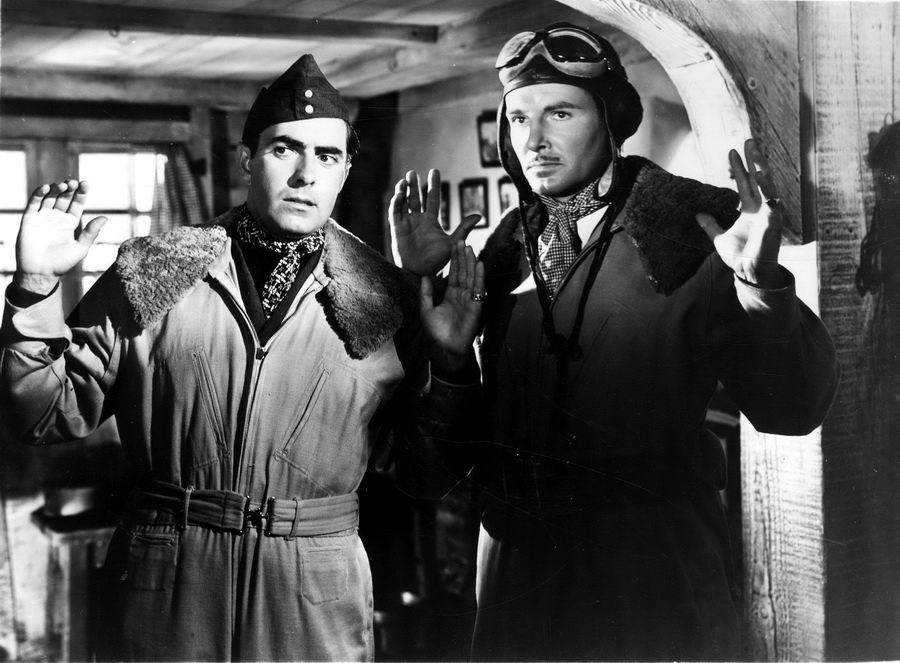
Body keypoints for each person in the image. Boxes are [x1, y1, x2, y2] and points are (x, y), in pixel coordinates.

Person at [0, 54, 484, 662]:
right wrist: (35, 287)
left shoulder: (384, 298)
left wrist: (453, 361)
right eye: (285, 149)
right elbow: (42, 416)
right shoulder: (151, 271)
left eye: (327, 156)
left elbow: (428, 474)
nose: (306, 174)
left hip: (312, 601)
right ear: (247, 158)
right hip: (167, 586)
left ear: (345, 170)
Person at [389, 22, 839, 661]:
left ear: (612, 121)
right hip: (519, 584)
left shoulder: (697, 232)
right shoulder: (502, 253)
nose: (533, 140)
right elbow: (430, 470)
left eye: (560, 113)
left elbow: (792, 409)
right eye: (518, 118)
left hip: (650, 577)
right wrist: (445, 346)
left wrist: (760, 288)